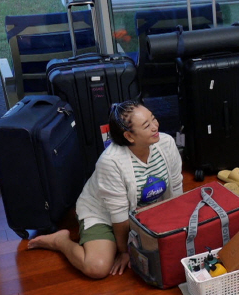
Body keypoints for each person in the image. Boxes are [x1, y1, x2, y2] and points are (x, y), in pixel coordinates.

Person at [27, 100, 183, 279]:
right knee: (97, 267)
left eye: (153, 119)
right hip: (104, 214)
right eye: (147, 125)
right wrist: (125, 252)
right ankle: (60, 241)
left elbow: (176, 186)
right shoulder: (111, 162)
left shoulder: (167, 143)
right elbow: (119, 216)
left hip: (142, 211)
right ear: (129, 137)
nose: (156, 126)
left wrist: (177, 225)